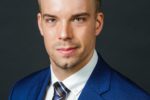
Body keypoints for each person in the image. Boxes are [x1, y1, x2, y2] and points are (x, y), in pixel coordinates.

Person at [9, 0, 150, 100]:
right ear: (40, 24)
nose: (64, 34)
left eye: (78, 19)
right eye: (52, 20)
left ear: (97, 23)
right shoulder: (20, 91)